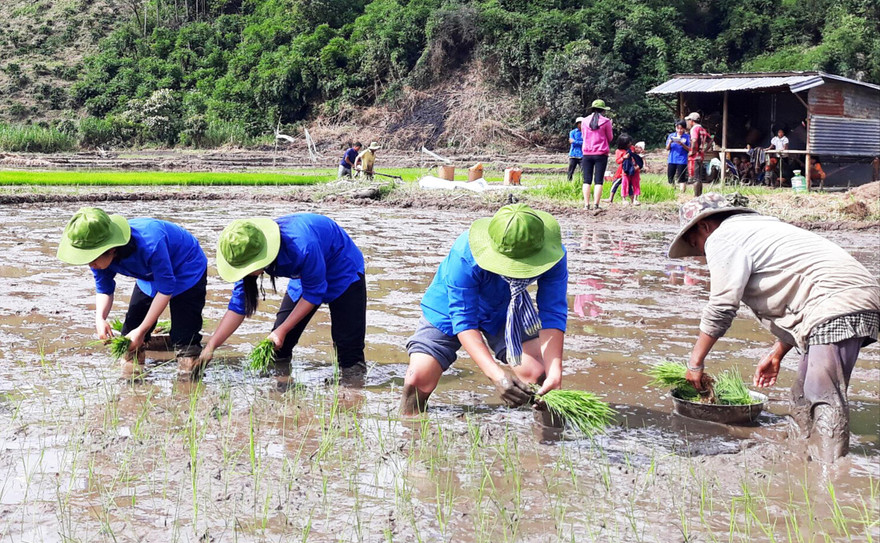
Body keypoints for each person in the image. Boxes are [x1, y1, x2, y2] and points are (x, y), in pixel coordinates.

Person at [668, 193, 880, 463]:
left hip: (836, 302)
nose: (701, 253)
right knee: (802, 395)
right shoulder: (759, 229)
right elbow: (800, 292)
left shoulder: (722, 237)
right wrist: (778, 351)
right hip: (845, 299)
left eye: (697, 245)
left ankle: (830, 475)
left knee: (822, 396)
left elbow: (722, 307)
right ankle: (802, 458)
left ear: (705, 226)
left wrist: (695, 363)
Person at [399, 204, 568, 415]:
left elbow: (552, 312)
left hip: (507, 310)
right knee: (417, 379)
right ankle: (409, 430)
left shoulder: (554, 255)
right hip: (448, 308)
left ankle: (548, 441)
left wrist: (555, 372)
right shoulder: (465, 254)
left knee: (537, 375)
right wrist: (497, 376)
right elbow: (463, 320)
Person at [199, 214, 367, 378]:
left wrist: (283, 329)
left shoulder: (302, 246)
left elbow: (314, 294)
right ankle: (282, 388)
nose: (248, 273)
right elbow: (238, 305)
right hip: (305, 275)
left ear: (263, 255)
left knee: (349, 355)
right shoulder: (246, 252)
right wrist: (211, 346)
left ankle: (351, 392)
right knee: (278, 347)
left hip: (342, 270)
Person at [56, 207, 208, 377]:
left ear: (112, 249)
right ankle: (133, 383)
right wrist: (100, 318)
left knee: (184, 337)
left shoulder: (150, 243)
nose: (91, 265)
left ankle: (189, 378)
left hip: (187, 268)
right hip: (149, 275)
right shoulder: (98, 258)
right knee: (129, 334)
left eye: (92, 259)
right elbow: (104, 289)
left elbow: (166, 290)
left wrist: (142, 331)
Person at [581, 99, 614, 210]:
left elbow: (583, 136)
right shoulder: (606, 122)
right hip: (601, 153)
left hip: (586, 153)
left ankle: (586, 205)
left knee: (587, 180)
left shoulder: (584, 121)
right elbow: (610, 138)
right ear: (603, 110)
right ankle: (596, 204)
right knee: (598, 180)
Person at [685, 112, 711, 197]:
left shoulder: (694, 129)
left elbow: (694, 140)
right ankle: (700, 195)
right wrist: (705, 150)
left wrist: (692, 151)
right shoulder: (703, 129)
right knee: (699, 178)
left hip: (695, 156)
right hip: (701, 155)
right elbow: (710, 140)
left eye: (689, 120)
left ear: (692, 121)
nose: (688, 122)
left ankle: (696, 196)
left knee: (695, 178)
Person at [615, 135, 643, 206]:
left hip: (635, 169)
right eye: (629, 142)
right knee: (625, 184)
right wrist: (624, 157)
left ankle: (635, 199)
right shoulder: (619, 151)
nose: (631, 143)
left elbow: (638, 150)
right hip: (626, 170)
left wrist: (640, 150)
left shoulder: (632, 148)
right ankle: (624, 199)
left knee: (636, 184)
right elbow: (618, 161)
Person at [665, 120, 690, 192]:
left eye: (681, 128)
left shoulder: (687, 137)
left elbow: (689, 149)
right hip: (672, 159)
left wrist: (682, 144)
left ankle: (682, 192)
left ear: (684, 129)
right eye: (678, 128)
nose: (679, 130)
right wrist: (670, 142)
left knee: (681, 177)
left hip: (682, 159)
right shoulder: (671, 135)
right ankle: (672, 190)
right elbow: (667, 148)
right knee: (670, 177)